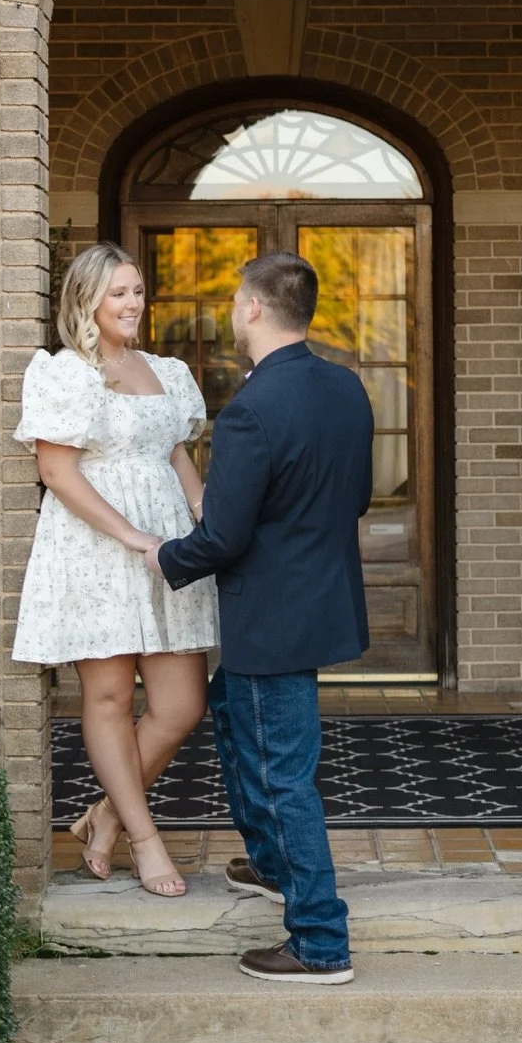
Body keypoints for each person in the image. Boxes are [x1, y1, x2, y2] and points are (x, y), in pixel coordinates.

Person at [147, 252, 374, 983]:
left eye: (235, 302)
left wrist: (162, 557)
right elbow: (358, 497)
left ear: (251, 309)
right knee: (238, 727)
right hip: (315, 600)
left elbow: (222, 537)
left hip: (268, 615)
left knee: (282, 777)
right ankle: (273, 863)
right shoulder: (346, 388)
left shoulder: (250, 410)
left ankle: (319, 940)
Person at [12, 242, 216, 897]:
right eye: (118, 293)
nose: (132, 303)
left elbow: (175, 454)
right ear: (86, 301)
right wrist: (130, 535)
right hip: (96, 546)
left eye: (136, 291)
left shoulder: (165, 369)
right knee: (106, 697)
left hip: (167, 550)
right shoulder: (64, 373)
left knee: (182, 705)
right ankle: (144, 838)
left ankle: (105, 815)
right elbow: (55, 470)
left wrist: (205, 513)